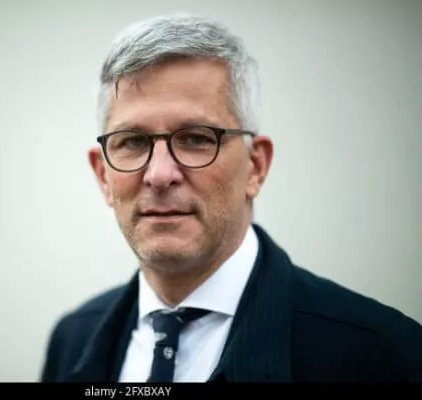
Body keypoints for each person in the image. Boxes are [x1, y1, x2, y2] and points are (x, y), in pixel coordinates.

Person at [40, 13, 422, 382]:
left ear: (255, 167)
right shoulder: (72, 342)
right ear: (103, 176)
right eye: (133, 142)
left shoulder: (380, 354)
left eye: (195, 138)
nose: (159, 175)